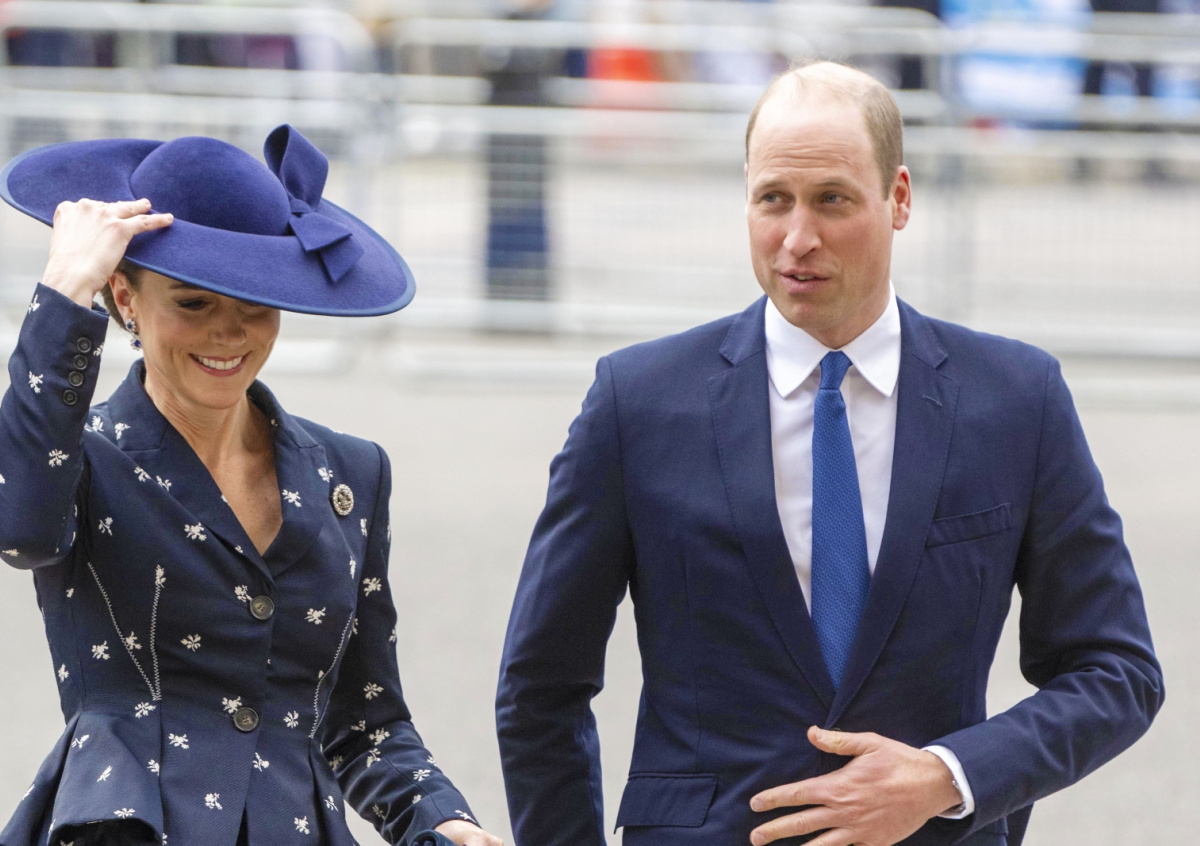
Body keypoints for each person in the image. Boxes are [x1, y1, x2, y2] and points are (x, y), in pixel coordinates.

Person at [495, 61, 1163, 846]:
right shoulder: (637, 403)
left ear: (899, 198)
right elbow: (541, 687)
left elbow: (1115, 670)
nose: (797, 238)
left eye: (832, 200)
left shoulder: (1017, 400)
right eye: (773, 199)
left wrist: (946, 777)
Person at [0, 126, 504, 846]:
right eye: (193, 304)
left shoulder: (351, 472)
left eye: (255, 305)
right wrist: (62, 294)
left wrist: (443, 820)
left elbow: (365, 722)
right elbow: (18, 530)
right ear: (125, 296)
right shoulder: (79, 459)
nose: (229, 334)